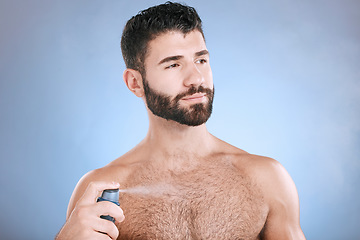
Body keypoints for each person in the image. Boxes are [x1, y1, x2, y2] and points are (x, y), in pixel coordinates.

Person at [56, 2, 306, 239]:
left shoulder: (267, 179)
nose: (196, 78)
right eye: (173, 64)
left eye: (201, 60)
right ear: (135, 83)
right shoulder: (102, 190)